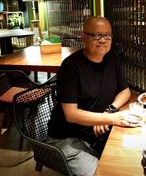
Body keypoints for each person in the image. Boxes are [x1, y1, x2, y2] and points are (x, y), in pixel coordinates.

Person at [47, 16, 141, 176]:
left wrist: (108, 112)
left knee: (134, 160)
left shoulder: (111, 58)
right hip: (68, 138)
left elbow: (125, 92)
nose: (103, 40)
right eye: (97, 35)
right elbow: (71, 114)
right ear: (83, 37)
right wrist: (111, 119)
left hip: (98, 132)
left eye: (107, 36)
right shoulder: (70, 67)